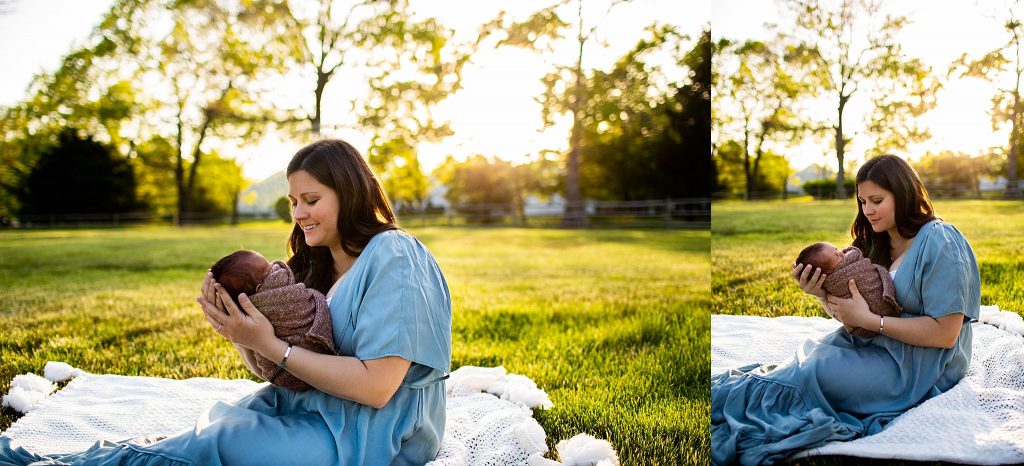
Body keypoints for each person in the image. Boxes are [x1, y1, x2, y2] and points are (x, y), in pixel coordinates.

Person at [0, 139, 453, 465]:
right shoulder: (316, 266)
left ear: (350, 192)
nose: (298, 214)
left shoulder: (395, 255)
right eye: (294, 201)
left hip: (377, 436)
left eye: (311, 199)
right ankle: (56, 461)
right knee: (204, 437)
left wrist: (273, 346)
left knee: (223, 446)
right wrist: (239, 330)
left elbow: (377, 388)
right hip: (312, 406)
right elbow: (277, 370)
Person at [711, 154, 980, 465]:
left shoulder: (941, 240)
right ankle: (722, 397)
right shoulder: (876, 243)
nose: (867, 210)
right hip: (875, 343)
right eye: (862, 201)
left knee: (815, 372)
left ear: (904, 193)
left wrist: (872, 320)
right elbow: (855, 316)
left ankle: (734, 406)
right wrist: (821, 295)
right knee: (803, 361)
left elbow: (946, 334)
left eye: (877, 200)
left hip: (921, 364)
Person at [209, 249, 336, 392]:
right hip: (299, 377)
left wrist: (264, 343)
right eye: (268, 270)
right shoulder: (266, 301)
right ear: (260, 288)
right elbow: (262, 366)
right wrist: (236, 331)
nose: (275, 268)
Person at [794, 242, 902, 337]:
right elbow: (843, 314)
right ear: (826, 274)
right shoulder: (863, 243)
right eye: (836, 255)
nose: (841, 253)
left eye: (837, 250)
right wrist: (821, 296)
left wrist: (868, 320)